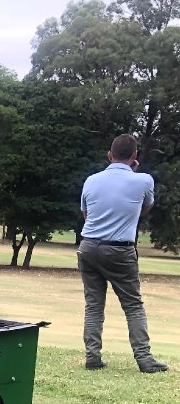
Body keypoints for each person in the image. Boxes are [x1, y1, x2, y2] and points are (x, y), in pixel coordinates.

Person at [77, 134, 168, 373]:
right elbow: (144, 209)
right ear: (134, 156)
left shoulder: (91, 180)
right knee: (133, 305)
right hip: (120, 250)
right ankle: (144, 359)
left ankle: (92, 356)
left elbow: (87, 215)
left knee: (94, 305)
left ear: (110, 155)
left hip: (88, 246)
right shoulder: (144, 181)